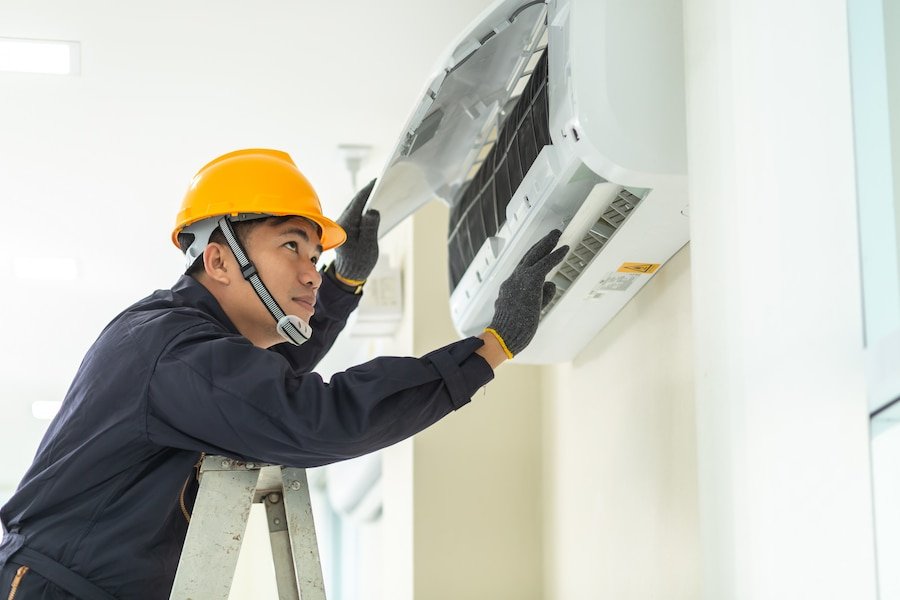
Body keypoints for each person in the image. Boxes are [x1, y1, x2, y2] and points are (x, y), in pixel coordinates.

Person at [0, 148, 567, 599]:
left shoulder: (184, 339)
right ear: (219, 260)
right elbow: (312, 418)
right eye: (292, 247)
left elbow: (259, 383)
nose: (311, 273)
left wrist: (344, 285)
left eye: (315, 256)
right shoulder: (173, 351)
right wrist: (490, 349)